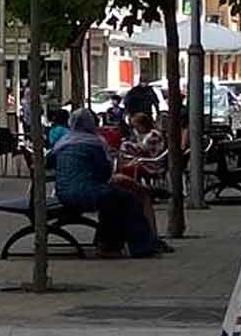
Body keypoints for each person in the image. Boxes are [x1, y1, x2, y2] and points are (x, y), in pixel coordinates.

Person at [51, 108, 164, 257]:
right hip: (86, 192)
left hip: (63, 192)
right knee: (128, 199)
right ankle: (140, 246)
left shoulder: (63, 143)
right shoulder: (93, 143)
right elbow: (105, 172)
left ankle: (108, 243)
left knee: (113, 199)